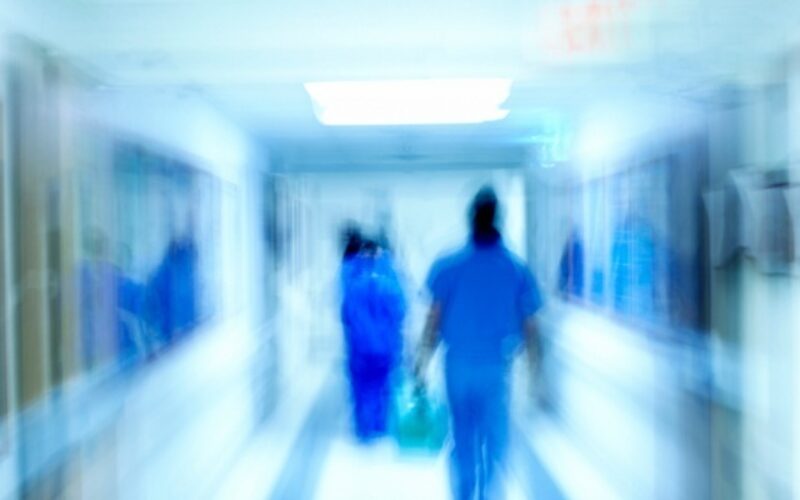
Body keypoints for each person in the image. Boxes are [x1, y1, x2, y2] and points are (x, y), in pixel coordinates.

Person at [414, 186, 543, 500]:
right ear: (498, 218)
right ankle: (490, 494)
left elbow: (433, 320)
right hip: (496, 368)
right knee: (496, 441)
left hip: (457, 366)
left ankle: (463, 493)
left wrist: (421, 363)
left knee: (462, 437)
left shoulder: (448, 265)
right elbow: (530, 327)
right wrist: (535, 374)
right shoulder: (515, 268)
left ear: (471, 217)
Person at [340, 235, 406, 442]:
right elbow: (401, 313)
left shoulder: (353, 285)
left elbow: (346, 316)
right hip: (386, 346)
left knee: (361, 387)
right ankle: (380, 426)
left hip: (360, 347)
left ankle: (364, 430)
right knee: (384, 386)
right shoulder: (391, 285)